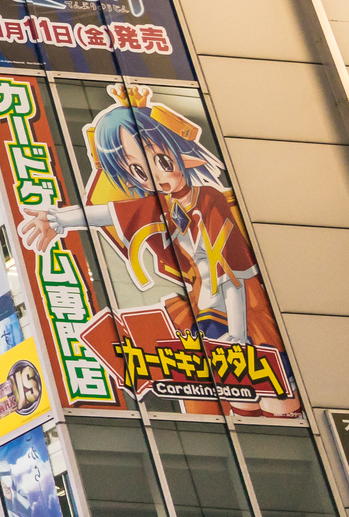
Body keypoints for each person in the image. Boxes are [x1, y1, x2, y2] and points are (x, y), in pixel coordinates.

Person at [16, 85, 296, 415]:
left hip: (246, 316)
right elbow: (107, 212)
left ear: (178, 150)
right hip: (207, 318)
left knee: (278, 404)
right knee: (240, 406)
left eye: (161, 159)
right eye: (137, 170)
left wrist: (238, 337)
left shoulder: (210, 201)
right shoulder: (163, 207)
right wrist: (57, 218)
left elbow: (232, 277)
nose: (156, 176)